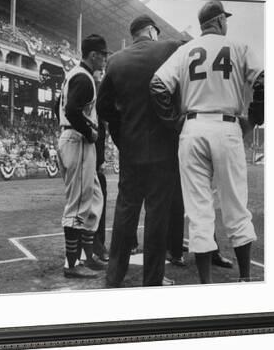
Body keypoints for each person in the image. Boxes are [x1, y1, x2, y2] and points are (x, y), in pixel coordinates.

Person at [150, 0, 264, 283]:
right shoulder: (239, 46)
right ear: (219, 22)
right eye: (224, 19)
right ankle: (245, 279)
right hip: (226, 127)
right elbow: (262, 80)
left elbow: (157, 85)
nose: (226, 23)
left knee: (199, 211)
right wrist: (254, 119)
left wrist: (174, 120)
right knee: (236, 207)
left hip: (193, 128)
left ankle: (206, 285)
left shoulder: (185, 50)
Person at [97, 14, 182, 287]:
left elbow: (104, 108)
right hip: (163, 149)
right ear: (151, 31)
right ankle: (153, 279)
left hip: (131, 149)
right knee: (157, 216)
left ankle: (115, 275)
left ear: (133, 34)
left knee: (125, 212)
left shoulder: (115, 60)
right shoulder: (169, 49)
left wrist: (123, 137)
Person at [55, 34, 107, 278]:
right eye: (103, 54)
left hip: (73, 137)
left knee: (95, 198)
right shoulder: (84, 79)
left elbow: (58, 105)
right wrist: (89, 131)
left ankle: (86, 256)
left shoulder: (75, 74)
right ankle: (71, 265)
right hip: (77, 140)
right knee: (77, 205)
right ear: (93, 55)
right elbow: (70, 110)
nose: (105, 58)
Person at [92, 68, 110, 262]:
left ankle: (97, 244)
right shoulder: (87, 85)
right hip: (89, 159)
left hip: (95, 158)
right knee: (93, 202)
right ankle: (95, 245)